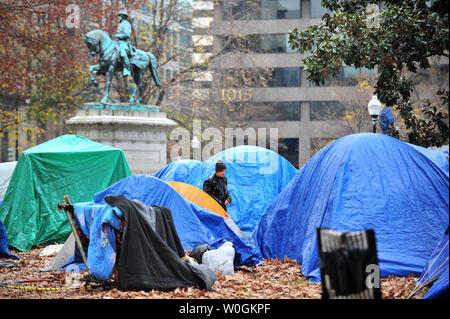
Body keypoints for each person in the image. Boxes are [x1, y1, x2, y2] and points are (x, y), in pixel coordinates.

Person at [114, 9, 133, 78]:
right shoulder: (120, 24)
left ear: (122, 16)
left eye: (119, 16)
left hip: (124, 42)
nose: (118, 18)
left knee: (123, 53)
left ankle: (127, 69)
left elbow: (127, 35)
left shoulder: (127, 24)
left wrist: (118, 36)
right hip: (117, 41)